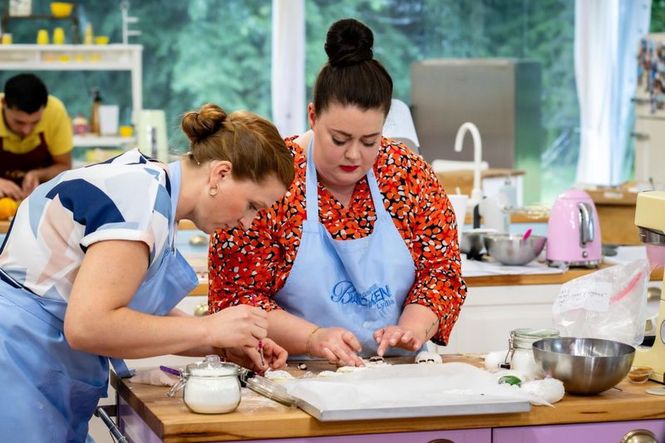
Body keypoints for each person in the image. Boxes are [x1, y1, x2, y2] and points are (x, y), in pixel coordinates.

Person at [0, 103, 295, 441]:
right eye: (252, 206)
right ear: (221, 174)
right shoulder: (141, 202)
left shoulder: (151, 186)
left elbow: (131, 312)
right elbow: (88, 325)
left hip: (34, 365)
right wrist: (208, 329)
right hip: (17, 368)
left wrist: (223, 344)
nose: (248, 223)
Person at [208, 19, 467, 367]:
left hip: (398, 371)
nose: (354, 155)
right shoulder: (272, 181)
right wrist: (311, 338)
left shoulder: (408, 175)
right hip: (293, 372)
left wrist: (412, 328)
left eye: (370, 141)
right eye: (340, 139)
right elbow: (234, 296)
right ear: (313, 116)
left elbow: (441, 272)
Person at [0, 73, 74, 200]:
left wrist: (38, 174)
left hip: (40, 200)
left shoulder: (55, 111)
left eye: (35, 122)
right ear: (3, 103)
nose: (26, 130)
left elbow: (64, 166)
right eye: (19, 122)